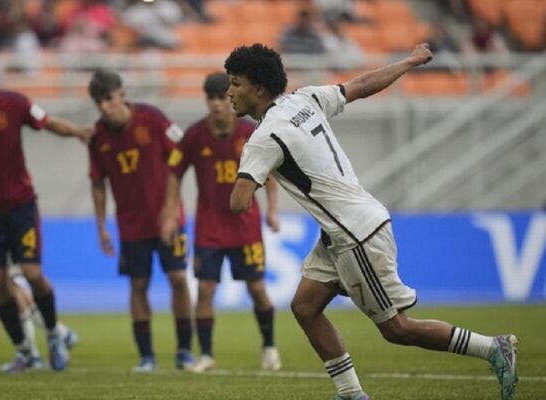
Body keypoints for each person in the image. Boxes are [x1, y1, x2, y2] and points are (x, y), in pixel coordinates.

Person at [226, 43, 518, 400]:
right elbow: (362, 84)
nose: (229, 92)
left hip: (355, 234)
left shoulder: (263, 139)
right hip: (345, 229)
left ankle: (492, 348)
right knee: (305, 307)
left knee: (396, 328)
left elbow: (238, 203)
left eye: (235, 83)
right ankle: (350, 393)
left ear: (258, 88)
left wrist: (242, 173)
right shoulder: (306, 99)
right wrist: (409, 61)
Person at [0, 45, 90, 372]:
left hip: (20, 205)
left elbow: (48, 122)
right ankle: (24, 350)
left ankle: (53, 333)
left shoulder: (14, 103)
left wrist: (79, 132)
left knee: (32, 273)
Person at [160, 72, 282, 373]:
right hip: (209, 227)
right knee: (204, 290)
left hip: (246, 225)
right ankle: (207, 355)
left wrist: (272, 211)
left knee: (256, 288)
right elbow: (174, 174)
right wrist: (170, 212)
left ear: (230, 99)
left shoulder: (250, 133)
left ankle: (268, 346)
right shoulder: (193, 136)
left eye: (221, 98)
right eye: (210, 98)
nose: (216, 104)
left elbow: (270, 175)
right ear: (206, 101)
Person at [87, 69, 194, 372]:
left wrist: (171, 210)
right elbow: (97, 183)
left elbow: (182, 155)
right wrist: (100, 227)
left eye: (109, 99)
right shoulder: (98, 137)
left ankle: (185, 351)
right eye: (99, 102)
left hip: (168, 219)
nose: (105, 107)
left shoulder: (153, 119)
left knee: (178, 278)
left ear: (121, 94)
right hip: (131, 225)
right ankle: (147, 357)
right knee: (138, 284)